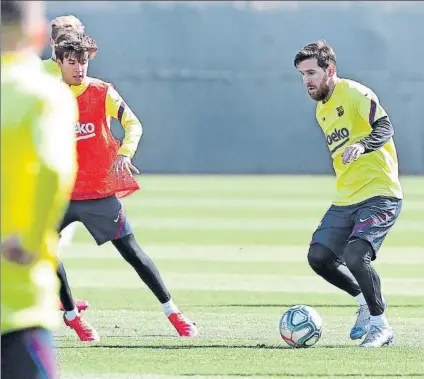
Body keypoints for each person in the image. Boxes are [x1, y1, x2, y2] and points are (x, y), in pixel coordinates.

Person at [54, 33, 198, 341]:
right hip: (58, 192)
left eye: (84, 61)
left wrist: (124, 152)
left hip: (98, 191)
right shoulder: (49, 94)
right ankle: (72, 317)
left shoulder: (101, 91)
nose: (79, 68)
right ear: (59, 63)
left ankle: (173, 311)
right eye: (72, 62)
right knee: (42, 251)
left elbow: (134, 124)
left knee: (132, 252)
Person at [293, 40, 402, 348]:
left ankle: (381, 327)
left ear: (330, 70)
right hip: (346, 197)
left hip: (381, 192)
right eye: (302, 75)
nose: (307, 81)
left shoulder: (355, 93)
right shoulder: (321, 110)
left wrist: (362, 145)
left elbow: (385, 127)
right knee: (320, 257)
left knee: (356, 255)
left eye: (312, 73)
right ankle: (365, 304)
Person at [1, 1, 78, 377]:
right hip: (17, 304)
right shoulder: (43, 94)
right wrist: (30, 239)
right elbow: (52, 170)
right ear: (35, 32)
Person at [41, 15, 95, 316]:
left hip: (68, 168)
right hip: (46, 168)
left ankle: (55, 295)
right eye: (66, 41)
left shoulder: (75, 74)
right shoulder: (42, 75)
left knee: (53, 241)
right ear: (53, 44)